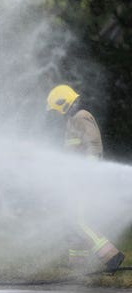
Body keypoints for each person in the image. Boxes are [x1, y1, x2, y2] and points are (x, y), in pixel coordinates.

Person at [46, 84, 125, 272]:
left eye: (56, 109)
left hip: (85, 179)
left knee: (80, 221)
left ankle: (111, 256)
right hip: (75, 180)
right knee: (70, 220)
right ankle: (77, 266)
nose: (56, 113)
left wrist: (87, 174)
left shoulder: (82, 116)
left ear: (62, 104)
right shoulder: (72, 121)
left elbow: (94, 146)